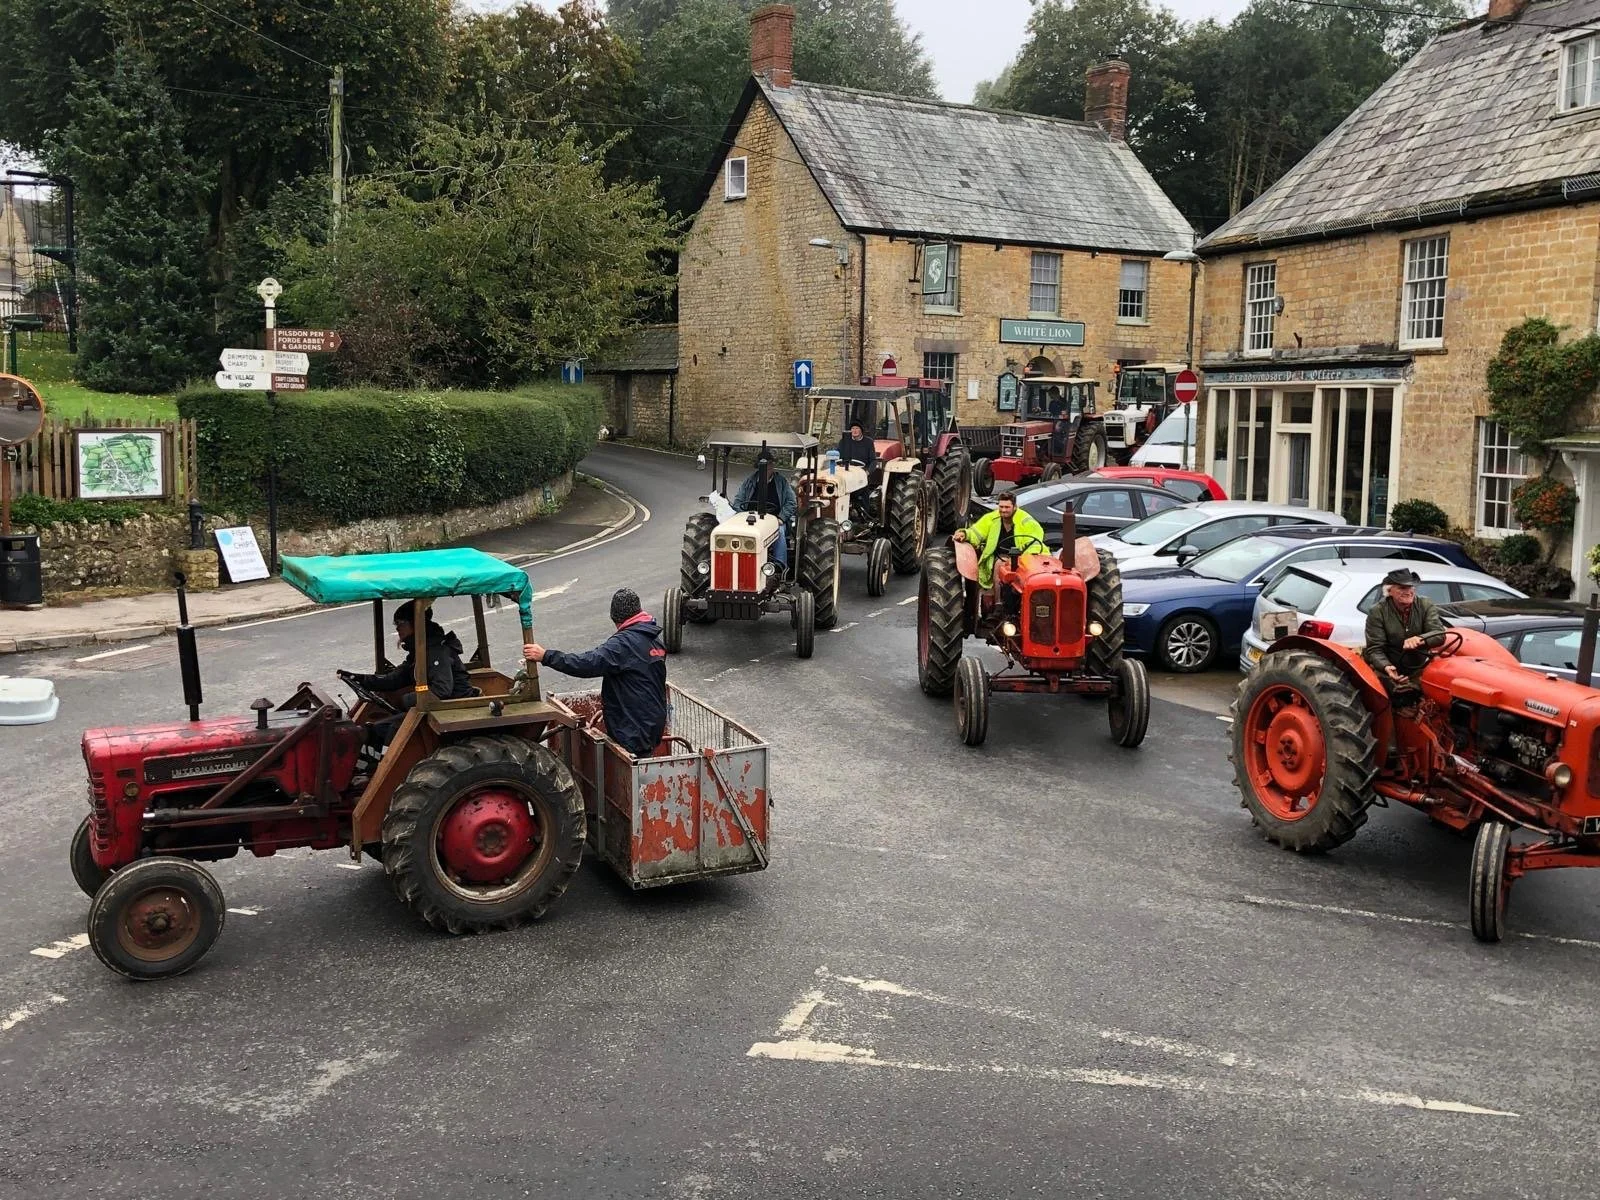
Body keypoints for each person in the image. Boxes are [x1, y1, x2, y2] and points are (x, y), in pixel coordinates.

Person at [524, 588, 668, 758]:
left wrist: (546, 656)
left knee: (635, 771)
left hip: (633, 731)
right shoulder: (653, 639)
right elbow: (638, 684)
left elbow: (587, 663)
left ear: (616, 619)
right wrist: (610, 711)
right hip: (651, 725)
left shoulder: (623, 644)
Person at [341, 603, 473, 746]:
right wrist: (362, 679)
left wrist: (405, 700)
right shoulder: (420, 651)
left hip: (452, 710)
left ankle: (388, 765)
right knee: (378, 727)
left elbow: (442, 690)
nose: (397, 628)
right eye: (395, 624)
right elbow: (396, 678)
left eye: (400, 623)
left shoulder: (436, 652)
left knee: (390, 730)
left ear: (416, 624)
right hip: (436, 708)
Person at [1363, 567, 1447, 706]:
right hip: (1390, 667)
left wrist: (1420, 639)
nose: (1408, 591)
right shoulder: (1378, 612)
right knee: (1395, 695)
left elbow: (1439, 634)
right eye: (1402, 587)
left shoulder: (1425, 605)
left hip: (1418, 666)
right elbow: (1375, 649)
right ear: (1389, 591)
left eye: (1411, 587)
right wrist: (1386, 667)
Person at [954, 491, 1047, 592]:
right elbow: (977, 532)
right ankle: (999, 604)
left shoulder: (1026, 521)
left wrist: (1024, 560)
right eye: (1001, 507)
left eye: (1007, 507)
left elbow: (1034, 543)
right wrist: (965, 534)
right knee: (999, 564)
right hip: (999, 557)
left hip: (1022, 559)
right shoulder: (991, 518)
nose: (1003, 510)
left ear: (1015, 507)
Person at [733, 448, 797, 568]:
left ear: (772, 466)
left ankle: (779, 566)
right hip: (750, 518)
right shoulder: (749, 482)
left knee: (779, 531)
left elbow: (791, 502)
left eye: (769, 465)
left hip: (774, 519)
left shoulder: (781, 482)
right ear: (758, 467)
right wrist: (742, 515)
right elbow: (738, 501)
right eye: (763, 466)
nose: (767, 469)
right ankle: (738, 564)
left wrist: (781, 518)